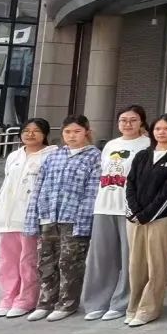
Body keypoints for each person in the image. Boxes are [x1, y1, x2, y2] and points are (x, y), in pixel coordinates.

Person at [24, 115, 101, 322]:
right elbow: (39, 187)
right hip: (48, 216)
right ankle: (45, 302)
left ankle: (67, 303)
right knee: (46, 261)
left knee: (70, 262)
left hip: (74, 219)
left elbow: (91, 193)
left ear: (86, 132)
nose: (71, 136)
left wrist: (83, 222)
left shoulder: (94, 157)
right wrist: (33, 217)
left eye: (77, 131)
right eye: (67, 132)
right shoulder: (54, 156)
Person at [82, 105, 151, 322]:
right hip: (104, 206)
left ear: (142, 122)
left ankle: (123, 302)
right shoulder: (111, 145)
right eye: (123, 120)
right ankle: (97, 301)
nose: (127, 124)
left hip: (130, 208)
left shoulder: (148, 145)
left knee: (130, 258)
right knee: (101, 257)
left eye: (133, 120)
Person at [124, 114, 167, 327]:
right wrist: (134, 211)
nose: (161, 132)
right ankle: (133, 307)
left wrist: (148, 214)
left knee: (157, 265)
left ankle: (148, 309)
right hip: (135, 219)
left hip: (161, 219)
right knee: (136, 265)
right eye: (158, 128)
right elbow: (130, 184)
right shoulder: (142, 155)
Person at [0, 119, 56, 319]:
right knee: (6, 262)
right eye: (26, 130)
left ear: (45, 134)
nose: (30, 134)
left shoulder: (51, 156)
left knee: (28, 261)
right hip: (7, 217)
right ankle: (7, 298)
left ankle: (26, 300)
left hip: (30, 218)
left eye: (36, 131)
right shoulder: (14, 156)